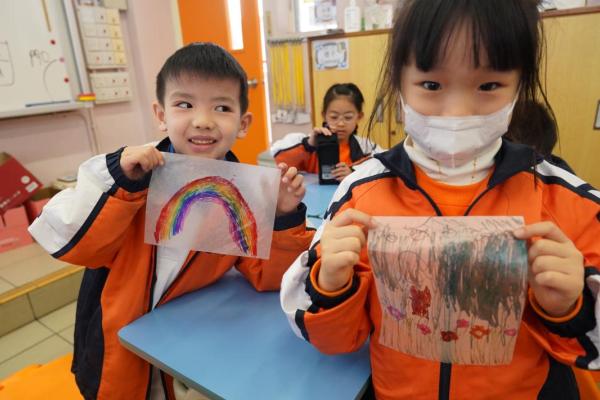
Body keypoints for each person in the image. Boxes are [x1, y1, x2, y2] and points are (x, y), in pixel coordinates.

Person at [280, 1, 600, 399]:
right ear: (399, 83)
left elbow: (590, 348)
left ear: (519, 85)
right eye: (432, 85)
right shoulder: (361, 192)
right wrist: (331, 286)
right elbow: (332, 338)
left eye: (488, 86)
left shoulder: (562, 197)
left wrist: (570, 307)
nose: (457, 113)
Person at [28, 43, 314, 400]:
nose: (203, 120)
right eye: (185, 104)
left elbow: (266, 276)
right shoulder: (131, 173)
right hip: (118, 337)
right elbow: (72, 241)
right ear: (161, 115)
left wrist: (283, 216)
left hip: (184, 337)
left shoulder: (241, 190)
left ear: (243, 124)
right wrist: (120, 180)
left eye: (222, 107)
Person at [270, 83, 384, 182]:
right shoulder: (308, 143)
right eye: (334, 117)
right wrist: (308, 145)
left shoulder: (367, 147)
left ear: (359, 116)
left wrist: (354, 172)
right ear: (324, 115)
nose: (341, 123)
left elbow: (384, 166)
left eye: (348, 117)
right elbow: (276, 162)